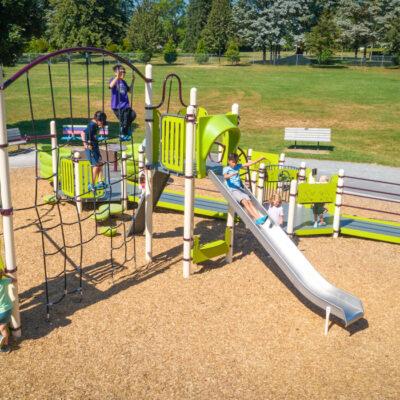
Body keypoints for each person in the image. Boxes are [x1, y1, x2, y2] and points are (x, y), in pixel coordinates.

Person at [223, 153, 268, 225]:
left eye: (236, 162)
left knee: (250, 202)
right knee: (245, 202)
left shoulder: (237, 166)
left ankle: (259, 218)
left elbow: (248, 164)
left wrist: (260, 159)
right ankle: (256, 218)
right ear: (229, 161)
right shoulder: (226, 169)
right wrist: (232, 174)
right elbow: (225, 177)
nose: (235, 163)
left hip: (240, 189)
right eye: (233, 162)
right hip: (233, 190)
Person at [81, 111, 107, 191]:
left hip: (95, 147)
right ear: (98, 120)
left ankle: (100, 182)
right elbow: (82, 133)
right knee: (96, 165)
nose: (102, 123)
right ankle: (91, 184)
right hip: (91, 148)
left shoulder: (95, 125)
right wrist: (85, 144)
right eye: (102, 121)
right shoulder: (92, 125)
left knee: (100, 163)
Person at [109, 65, 137, 141]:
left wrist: (133, 80)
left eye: (124, 72)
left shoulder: (124, 82)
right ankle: (123, 133)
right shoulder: (113, 79)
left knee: (133, 115)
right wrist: (117, 77)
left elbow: (130, 91)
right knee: (124, 121)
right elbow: (111, 86)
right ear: (116, 72)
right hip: (117, 106)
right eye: (121, 71)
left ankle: (124, 131)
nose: (123, 73)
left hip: (125, 105)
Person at [0, 269, 16, 354]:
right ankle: (5, 345)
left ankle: (0, 339)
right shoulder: (4, 281)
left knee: (1, 327)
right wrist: (5, 275)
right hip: (7, 309)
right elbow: (14, 280)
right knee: (3, 327)